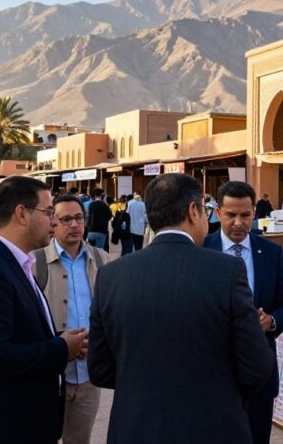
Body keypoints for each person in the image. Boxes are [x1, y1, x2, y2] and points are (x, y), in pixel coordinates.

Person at [87, 173, 272, 444]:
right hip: (213, 426)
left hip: (136, 427)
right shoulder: (226, 271)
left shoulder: (111, 275)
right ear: (193, 210)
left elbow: (100, 368)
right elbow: (256, 365)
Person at [0, 176, 88, 444]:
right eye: (48, 212)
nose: (55, 221)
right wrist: (61, 349)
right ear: (22, 214)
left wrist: (64, 339)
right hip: (0, 427)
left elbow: (18, 332)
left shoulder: (14, 263)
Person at [203, 181, 283, 444]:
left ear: (254, 212)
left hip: (258, 376)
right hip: (213, 374)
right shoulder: (201, 250)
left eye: (245, 215)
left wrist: (272, 321)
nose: (238, 223)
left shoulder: (271, 252)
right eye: (231, 215)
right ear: (217, 212)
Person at [33, 194, 110, 444]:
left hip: (88, 378)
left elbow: (109, 314)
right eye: (66, 219)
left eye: (78, 218)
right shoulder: (36, 263)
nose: (74, 225)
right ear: (52, 222)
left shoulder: (101, 260)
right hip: (49, 378)